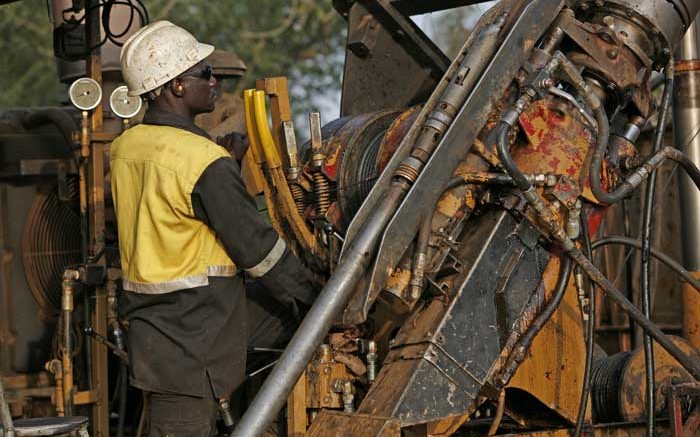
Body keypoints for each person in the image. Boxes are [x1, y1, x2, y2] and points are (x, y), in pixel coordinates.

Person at [110, 20, 317, 436]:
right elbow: (258, 252)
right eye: (204, 73)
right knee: (307, 317)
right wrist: (317, 295)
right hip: (195, 337)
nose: (215, 82)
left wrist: (226, 170)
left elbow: (170, 210)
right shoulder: (203, 161)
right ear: (176, 87)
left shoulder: (125, 147)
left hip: (155, 329)